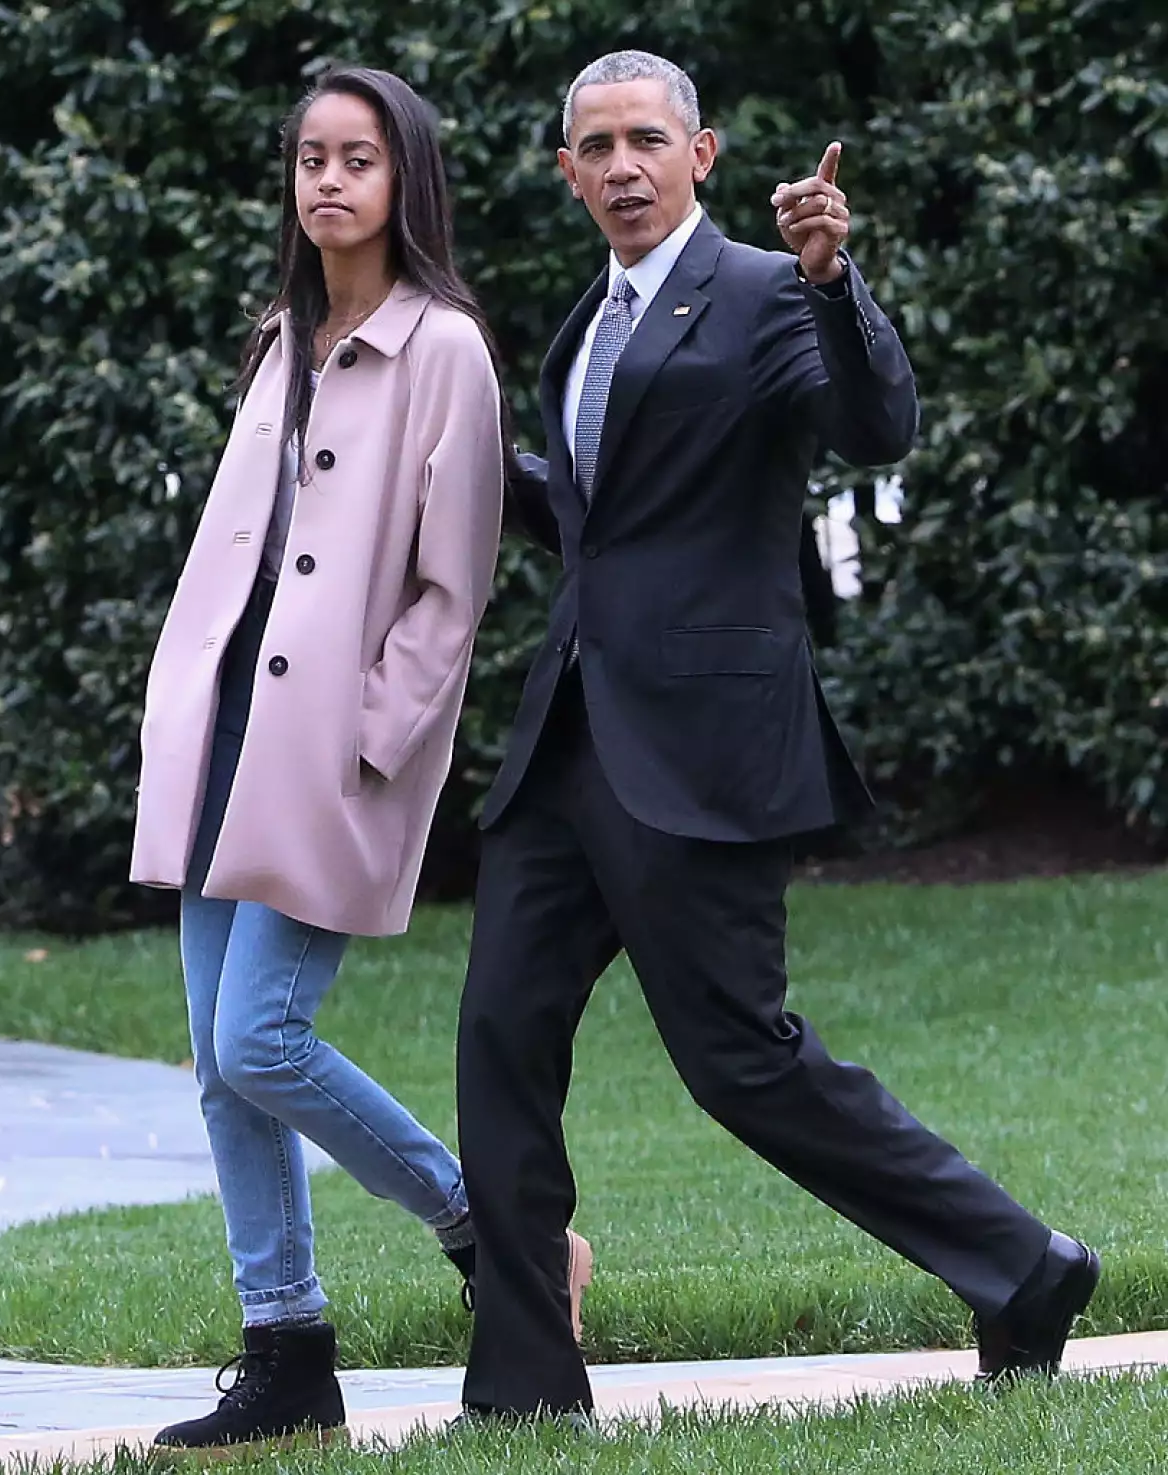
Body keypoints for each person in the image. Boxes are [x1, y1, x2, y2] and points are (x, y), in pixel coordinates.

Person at [454, 49, 1100, 1423]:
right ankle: (522, 1387)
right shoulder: (589, 323)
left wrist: (832, 280)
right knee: (500, 1042)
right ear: (566, 171)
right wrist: (458, 469)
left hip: (699, 756)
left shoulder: (756, 290)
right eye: (597, 147)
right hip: (566, 747)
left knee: (742, 1060)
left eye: (647, 139)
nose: (622, 165)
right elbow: (604, 519)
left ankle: (1020, 1264)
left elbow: (878, 426)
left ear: (704, 153)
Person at [129, 65, 508, 1452]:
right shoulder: (283, 340)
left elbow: (450, 595)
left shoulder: (444, 351)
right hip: (223, 730)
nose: (330, 180)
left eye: (358, 156)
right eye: (309, 158)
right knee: (220, 1063)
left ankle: (486, 1229)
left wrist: (372, 741)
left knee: (260, 1032)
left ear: (405, 177)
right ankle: (286, 1349)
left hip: (325, 751)